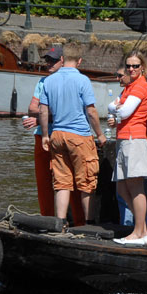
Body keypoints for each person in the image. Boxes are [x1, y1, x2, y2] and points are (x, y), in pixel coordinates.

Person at [38, 44, 106, 225]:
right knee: (87, 183)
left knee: (61, 183)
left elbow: (43, 111)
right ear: (79, 61)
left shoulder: (49, 81)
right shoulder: (82, 80)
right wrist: (100, 135)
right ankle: (89, 225)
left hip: (57, 134)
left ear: (62, 59)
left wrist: (45, 135)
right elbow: (91, 111)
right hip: (79, 135)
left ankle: (59, 224)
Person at [22, 46, 85, 224]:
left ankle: (79, 222)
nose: (48, 63)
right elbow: (32, 108)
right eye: (47, 60)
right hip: (42, 136)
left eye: (53, 60)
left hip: (62, 136)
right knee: (44, 183)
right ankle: (47, 219)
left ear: (63, 61)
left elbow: (71, 110)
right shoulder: (43, 82)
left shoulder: (73, 81)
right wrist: (42, 118)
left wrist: (42, 117)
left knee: (68, 180)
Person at [108, 52, 147, 245]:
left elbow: (124, 110)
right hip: (124, 139)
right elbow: (113, 107)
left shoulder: (140, 86)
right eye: (128, 66)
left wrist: (117, 109)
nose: (131, 69)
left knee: (135, 187)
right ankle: (141, 229)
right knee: (121, 186)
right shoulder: (129, 87)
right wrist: (117, 109)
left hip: (134, 140)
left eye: (135, 66)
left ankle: (139, 233)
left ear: (142, 67)